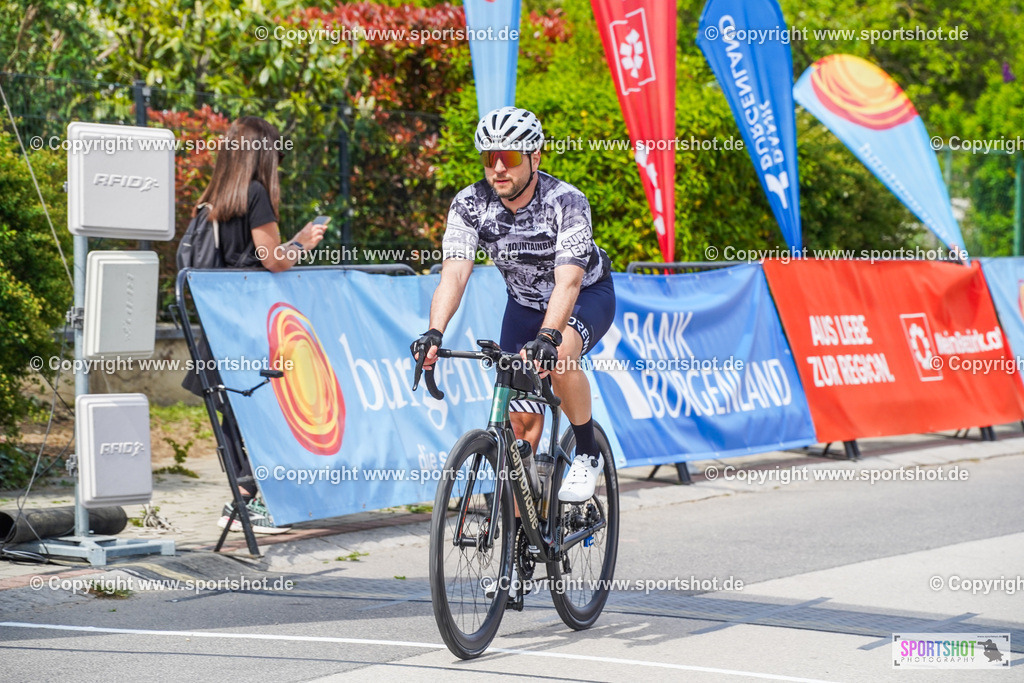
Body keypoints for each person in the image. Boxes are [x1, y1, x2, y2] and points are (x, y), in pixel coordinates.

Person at [411, 106, 615, 506]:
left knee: (560, 357)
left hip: (584, 295)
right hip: (523, 305)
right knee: (519, 425)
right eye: (490, 158)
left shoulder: (566, 201)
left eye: (511, 157)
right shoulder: (470, 204)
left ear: (535, 156)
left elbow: (569, 279)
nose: (499, 168)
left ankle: (587, 452)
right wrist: (434, 332)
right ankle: (522, 535)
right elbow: (453, 274)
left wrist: (550, 336)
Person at [179, 115, 326, 534]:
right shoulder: (255, 194)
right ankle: (245, 500)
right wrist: (302, 242)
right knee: (261, 407)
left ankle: (244, 497)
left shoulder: (209, 203)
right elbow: (273, 259)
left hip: (216, 326)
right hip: (247, 326)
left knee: (233, 411)